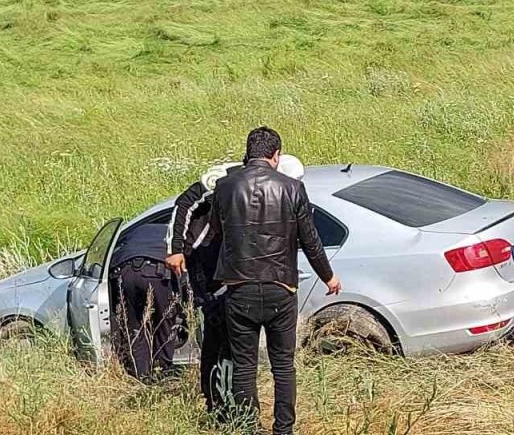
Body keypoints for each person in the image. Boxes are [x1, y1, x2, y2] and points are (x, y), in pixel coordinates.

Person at [210, 128, 341, 435]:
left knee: (244, 367)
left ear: (248, 153)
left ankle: (249, 427)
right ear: (276, 155)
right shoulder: (292, 187)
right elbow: (310, 240)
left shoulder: (225, 187)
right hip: (280, 286)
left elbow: (216, 230)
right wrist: (328, 276)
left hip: (239, 287)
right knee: (282, 366)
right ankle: (283, 429)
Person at [166, 155, 307, 419]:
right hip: (207, 264)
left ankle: (231, 410)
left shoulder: (269, 187)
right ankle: (219, 407)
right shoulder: (223, 179)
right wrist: (176, 249)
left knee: (232, 348)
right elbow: (185, 202)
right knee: (220, 339)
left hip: (234, 271)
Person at [108, 221, 182, 382]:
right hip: (157, 274)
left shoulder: (137, 229)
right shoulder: (176, 232)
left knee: (135, 326)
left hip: (126, 272)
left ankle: (140, 376)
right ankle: (162, 373)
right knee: (164, 324)